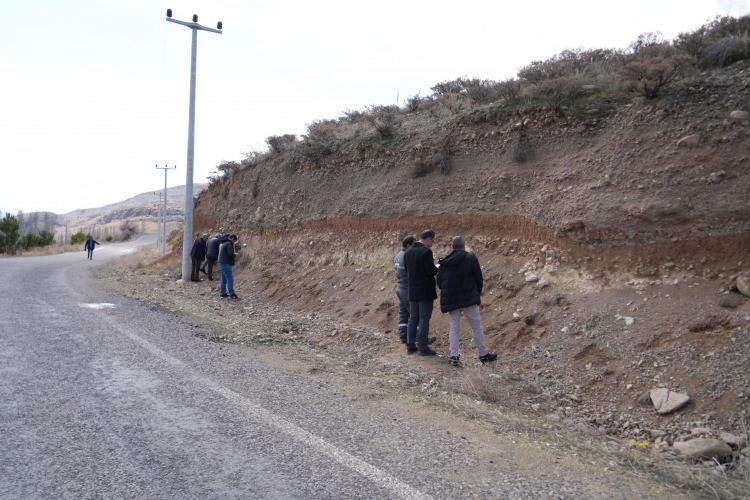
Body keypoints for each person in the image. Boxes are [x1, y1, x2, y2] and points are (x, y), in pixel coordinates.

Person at [437, 236, 497, 366]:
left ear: (452, 246)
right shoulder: (470, 258)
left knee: (454, 328)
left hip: (452, 300)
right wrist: (476, 293)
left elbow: (440, 282)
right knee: (476, 327)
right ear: (464, 246)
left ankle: (454, 356)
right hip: (469, 299)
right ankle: (483, 355)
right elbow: (478, 278)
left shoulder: (445, 262)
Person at [404, 229, 438, 356]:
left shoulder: (408, 252)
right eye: (432, 240)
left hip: (412, 290)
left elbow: (407, 270)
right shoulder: (426, 252)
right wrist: (437, 268)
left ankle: (410, 346)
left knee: (413, 318)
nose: (432, 243)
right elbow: (431, 271)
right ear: (428, 238)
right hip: (425, 291)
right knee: (424, 319)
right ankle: (423, 347)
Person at [394, 235, 415, 343]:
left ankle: (403, 335)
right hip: (407, 289)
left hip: (400, 288)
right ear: (408, 245)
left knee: (403, 313)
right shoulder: (407, 256)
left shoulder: (398, 255)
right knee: (414, 314)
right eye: (413, 244)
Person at [218, 234, 239, 299]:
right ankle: (232, 294)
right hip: (226, 263)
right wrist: (235, 254)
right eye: (234, 241)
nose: (234, 242)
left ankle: (223, 293)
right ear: (232, 238)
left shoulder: (224, 242)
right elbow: (230, 254)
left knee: (224, 279)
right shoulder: (229, 244)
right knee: (230, 278)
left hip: (222, 262)